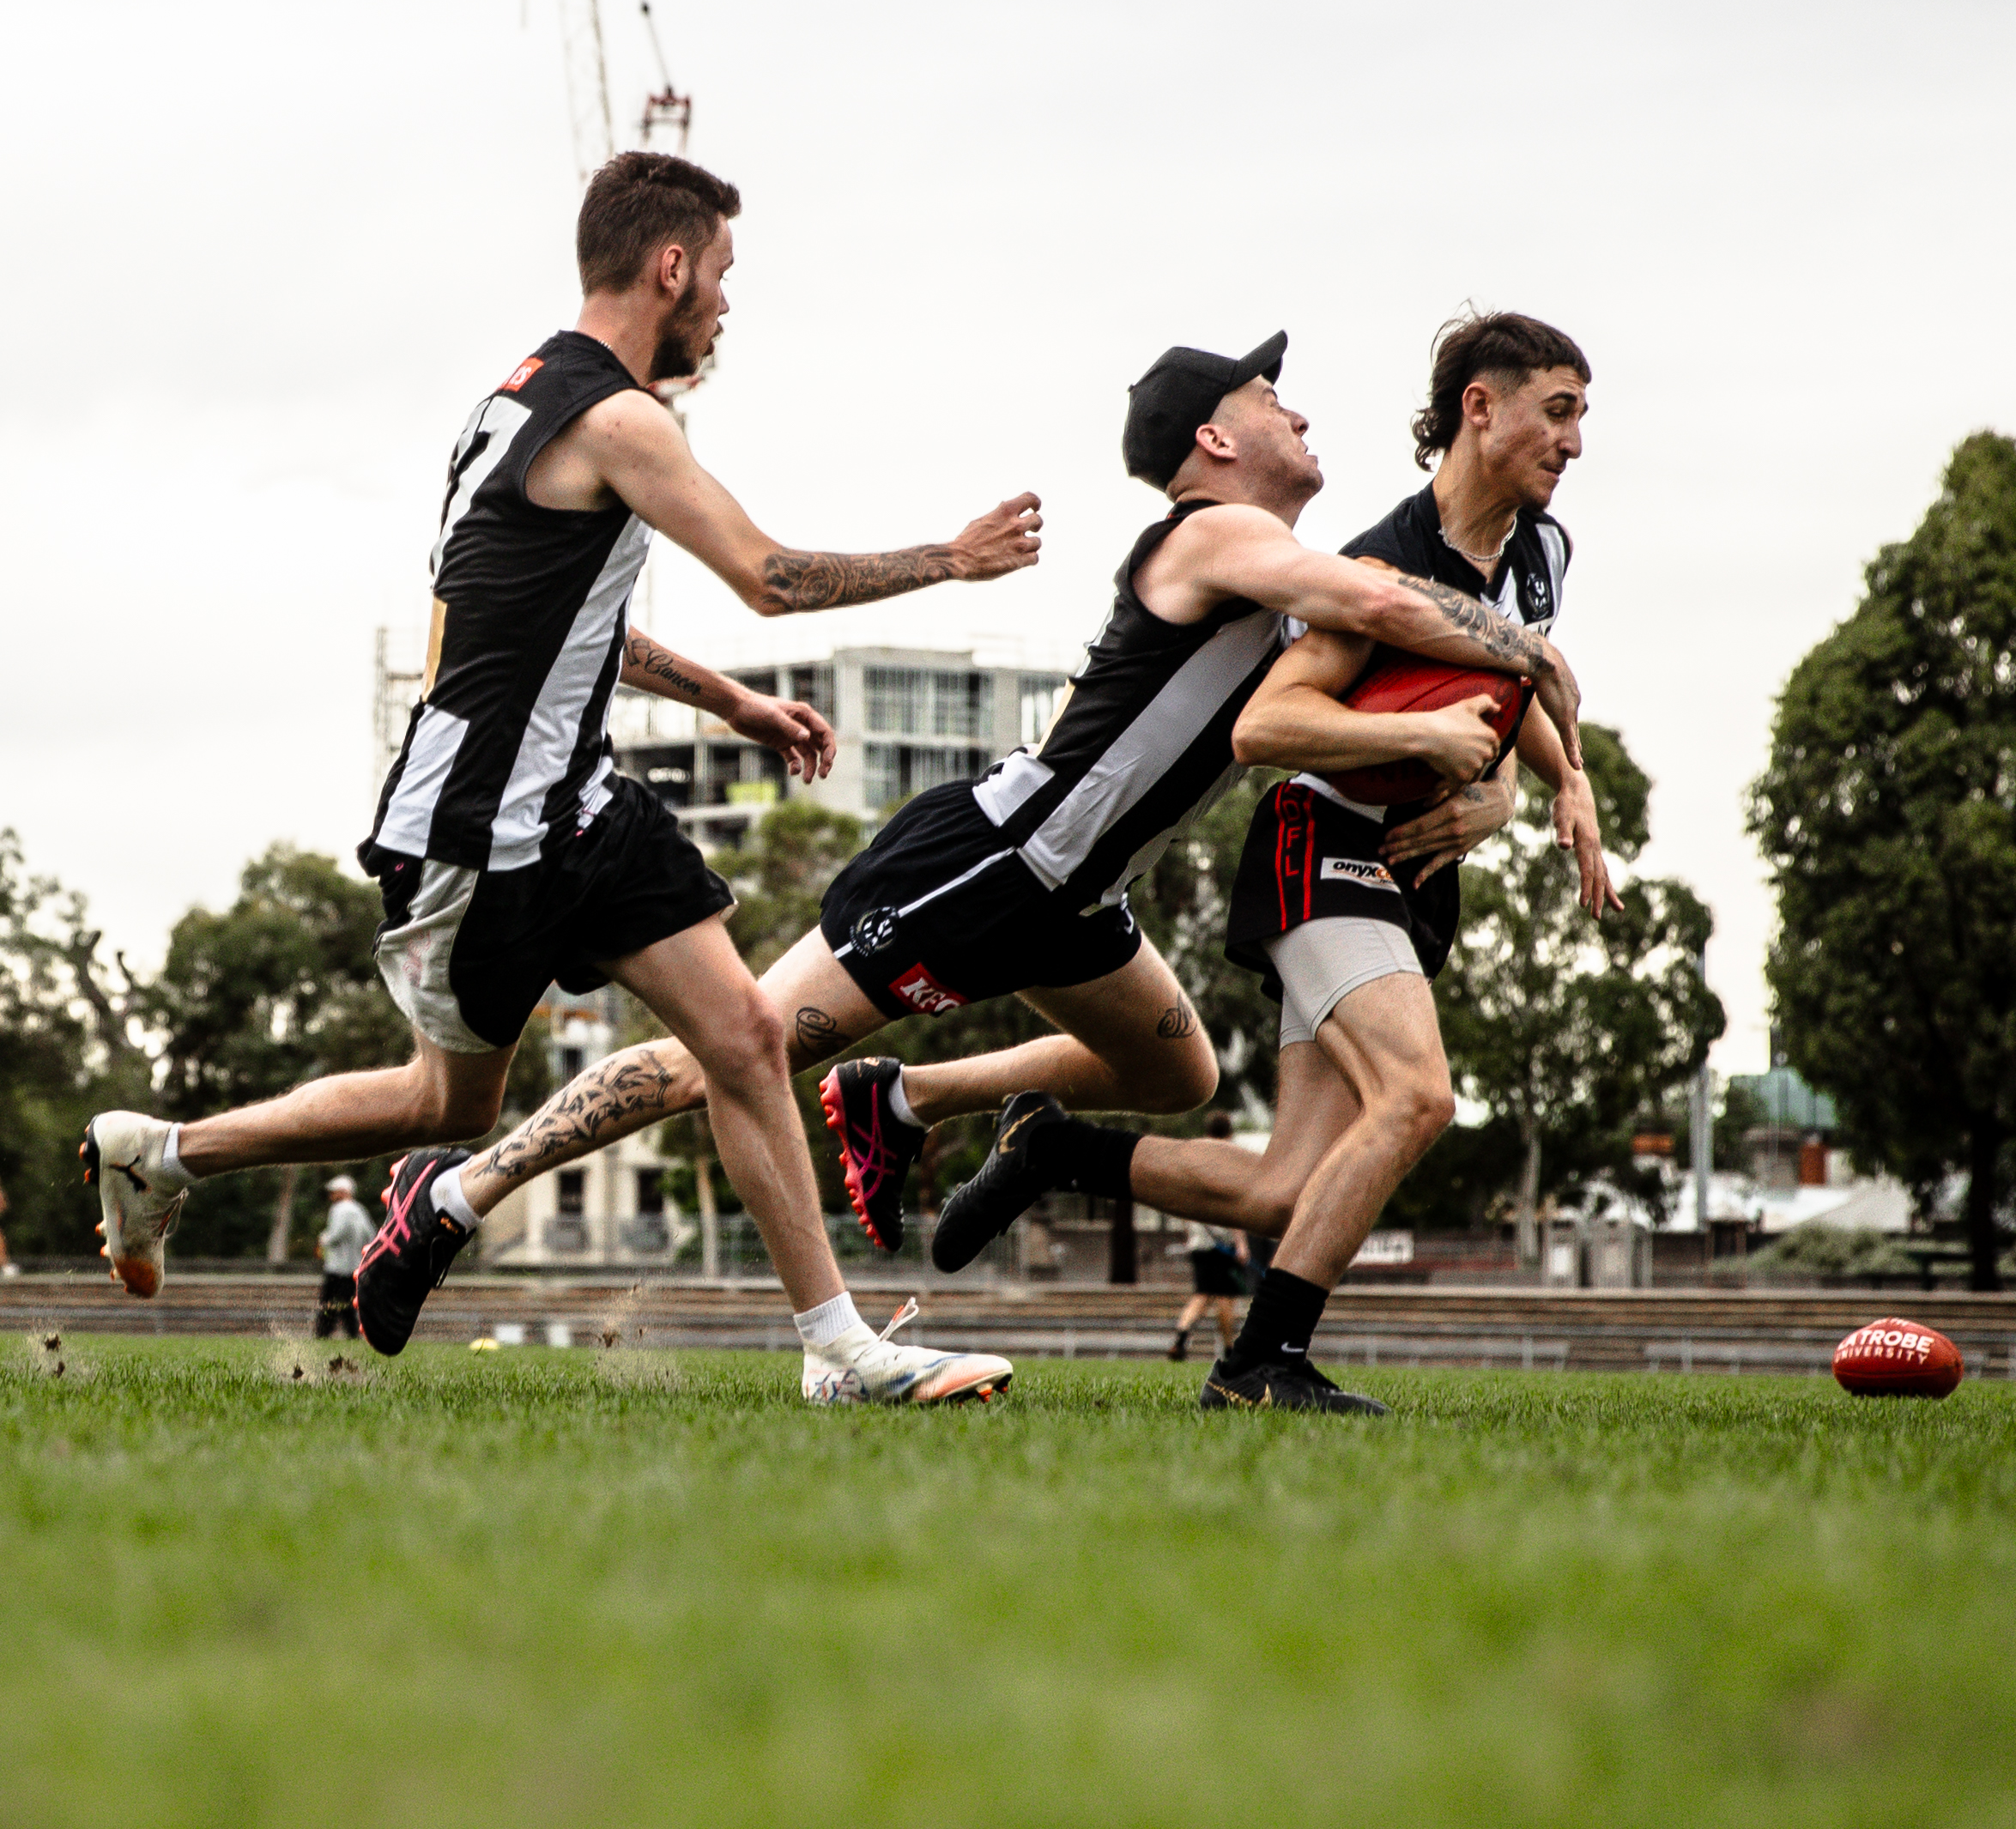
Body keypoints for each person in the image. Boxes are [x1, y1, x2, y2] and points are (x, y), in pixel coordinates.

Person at [82, 151, 1038, 1407]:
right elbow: (773, 576)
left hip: (583, 804)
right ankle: (164, 1152)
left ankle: (838, 1348)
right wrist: (951, 561)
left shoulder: (514, 399)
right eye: (724, 278)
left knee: (746, 1033)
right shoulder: (620, 419)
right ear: (671, 264)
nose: (728, 309)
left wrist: (729, 699)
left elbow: (572, 625)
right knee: (445, 1098)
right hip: (485, 827)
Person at [382, 329, 1589, 1276]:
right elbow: (1384, 608)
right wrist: (1527, 649)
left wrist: (1524, 777)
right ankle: (461, 1189)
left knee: (1176, 1080)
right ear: (1216, 440)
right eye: (1273, 399)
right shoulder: (1213, 531)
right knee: (729, 1048)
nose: (1303, 413)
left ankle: (898, 1100)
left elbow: (1389, 633)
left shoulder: (1285, 571)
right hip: (993, 863)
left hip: (1078, 896)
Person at [936, 310, 1622, 1415]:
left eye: (1582, 416)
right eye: (1559, 411)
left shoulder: (1541, 553)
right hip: (1321, 843)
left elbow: (1505, 691)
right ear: (1478, 410)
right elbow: (1269, 727)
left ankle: (1055, 1150)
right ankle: (1259, 1363)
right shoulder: (1383, 565)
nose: (1576, 442)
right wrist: (1423, 743)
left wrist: (1556, 780)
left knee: (1282, 1187)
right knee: (1416, 1096)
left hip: (1402, 871)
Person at [1165, 1115, 1252, 1362]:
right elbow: (1233, 1206)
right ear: (1229, 1134)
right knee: (1225, 1297)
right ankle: (1228, 1349)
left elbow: (1183, 1205)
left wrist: (1190, 1235)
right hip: (1222, 1244)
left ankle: (1181, 1336)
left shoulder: (1194, 1158)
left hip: (1198, 1242)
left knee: (1203, 1293)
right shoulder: (1230, 1160)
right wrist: (1241, 1244)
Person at [314, 1176, 366, 1340]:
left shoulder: (339, 1209)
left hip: (337, 1266)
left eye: (334, 1192)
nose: (331, 1196)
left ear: (343, 1192)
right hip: (353, 1265)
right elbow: (369, 1234)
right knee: (347, 1303)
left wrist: (322, 1239)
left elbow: (335, 1235)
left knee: (329, 1302)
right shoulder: (359, 1209)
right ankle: (352, 1333)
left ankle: (323, 1333)